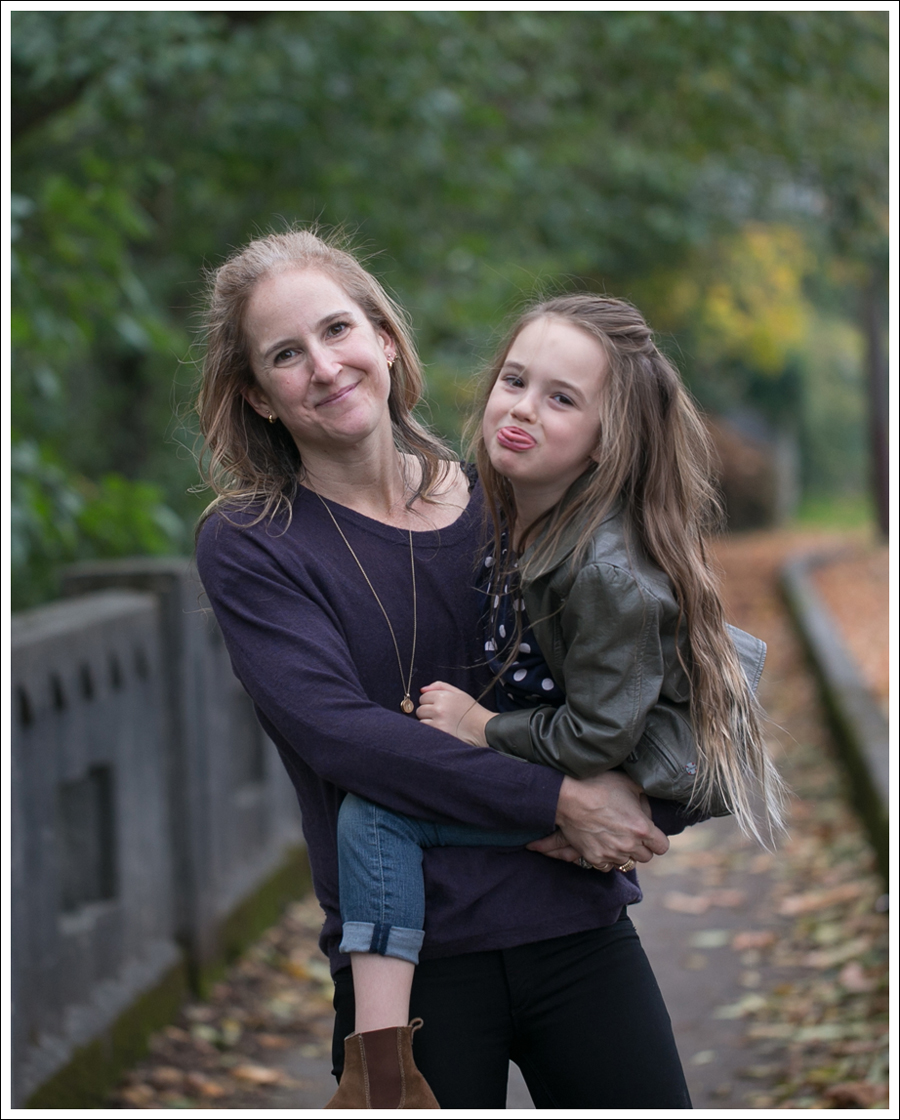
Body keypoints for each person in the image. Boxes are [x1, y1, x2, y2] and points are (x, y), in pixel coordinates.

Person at [195, 229, 698, 1110]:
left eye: (338, 329)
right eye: (286, 354)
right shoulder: (253, 546)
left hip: (576, 926)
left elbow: (652, 670)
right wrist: (558, 800)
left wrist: (643, 810)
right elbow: (345, 740)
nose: (325, 366)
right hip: (410, 959)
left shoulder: (513, 497)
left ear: (386, 339)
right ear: (259, 397)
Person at [334, 295, 785, 1102]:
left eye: (562, 398)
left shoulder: (601, 567)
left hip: (631, 774)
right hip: (551, 817)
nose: (522, 409)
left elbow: (598, 739)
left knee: (372, 818)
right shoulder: (519, 521)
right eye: (514, 381)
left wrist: (480, 727)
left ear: (608, 439)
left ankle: (381, 1074)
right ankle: (384, 1062)